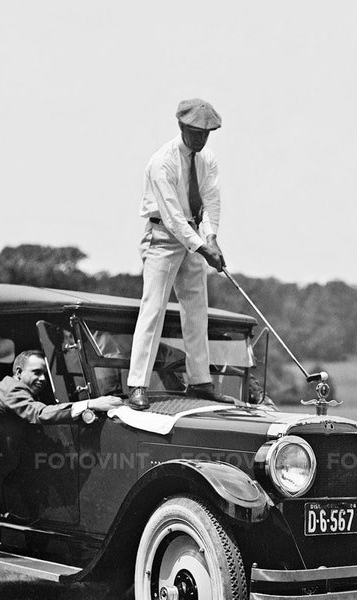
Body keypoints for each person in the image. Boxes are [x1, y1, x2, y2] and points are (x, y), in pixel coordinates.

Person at [127, 98, 226, 410]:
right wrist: (202, 247)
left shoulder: (207, 158)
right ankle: (137, 385)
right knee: (153, 309)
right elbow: (171, 216)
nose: (201, 138)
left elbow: (209, 201)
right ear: (182, 127)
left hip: (194, 235)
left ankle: (200, 382)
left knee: (197, 310)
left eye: (207, 133)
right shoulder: (163, 162)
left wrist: (211, 237)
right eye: (197, 132)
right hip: (162, 237)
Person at [0, 350, 122, 519]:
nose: (42, 379)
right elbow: (39, 413)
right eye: (36, 372)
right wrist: (90, 403)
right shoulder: (12, 388)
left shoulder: (12, 389)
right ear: (18, 372)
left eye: (44, 374)